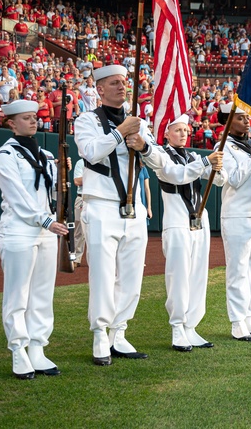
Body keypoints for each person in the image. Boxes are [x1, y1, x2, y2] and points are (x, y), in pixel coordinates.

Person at [73, 65, 155, 366]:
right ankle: (99, 333)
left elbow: (154, 159)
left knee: (132, 274)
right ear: (99, 89)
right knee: (104, 275)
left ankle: (119, 333)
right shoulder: (87, 120)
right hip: (102, 204)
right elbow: (92, 152)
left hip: (133, 208)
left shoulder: (139, 122)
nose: (122, 87)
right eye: (114, 83)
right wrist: (121, 133)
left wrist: (143, 145)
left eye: (124, 82)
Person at [0, 99, 69, 379]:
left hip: (46, 231)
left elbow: (51, 194)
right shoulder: (5, 156)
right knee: (18, 294)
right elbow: (19, 198)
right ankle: (18, 349)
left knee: (42, 294)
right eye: (26, 118)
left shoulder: (47, 155)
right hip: (19, 231)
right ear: (11, 123)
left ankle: (37, 346)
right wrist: (47, 220)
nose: (34, 121)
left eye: (35, 117)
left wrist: (64, 173)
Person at [146, 113, 223, 352]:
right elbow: (176, 175)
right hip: (177, 222)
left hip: (200, 222)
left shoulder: (192, 156)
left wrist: (217, 167)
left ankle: (191, 326)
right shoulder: (161, 156)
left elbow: (218, 181)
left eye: (186, 131)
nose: (183, 134)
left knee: (198, 276)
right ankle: (177, 327)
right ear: (167, 133)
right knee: (178, 276)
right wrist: (206, 163)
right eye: (178, 130)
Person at [214, 105, 251, 342]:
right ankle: (237, 321)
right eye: (240, 118)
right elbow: (236, 179)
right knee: (238, 269)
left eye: (247, 118)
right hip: (237, 213)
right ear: (228, 123)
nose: (247, 122)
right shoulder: (223, 148)